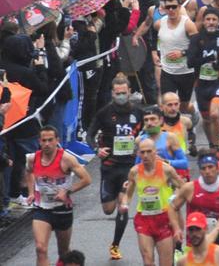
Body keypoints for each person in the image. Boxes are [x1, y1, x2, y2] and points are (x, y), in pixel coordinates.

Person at [88, 75, 143, 261]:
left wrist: (142, 144)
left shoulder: (138, 112)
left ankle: (115, 245)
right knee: (108, 209)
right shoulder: (104, 113)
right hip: (109, 167)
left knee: (123, 207)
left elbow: (149, 129)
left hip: (129, 167)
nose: (121, 96)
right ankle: (114, 241)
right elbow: (89, 135)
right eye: (117, 93)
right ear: (113, 93)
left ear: (129, 92)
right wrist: (97, 149)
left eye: (124, 93)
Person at [28, 125, 91, 266]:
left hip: (62, 209)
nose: (47, 144)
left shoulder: (67, 159)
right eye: (43, 140)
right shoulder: (33, 158)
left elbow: (87, 179)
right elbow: (29, 172)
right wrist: (31, 192)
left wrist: (67, 191)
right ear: (39, 141)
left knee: (64, 253)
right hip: (42, 209)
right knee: (40, 249)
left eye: (50, 140)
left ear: (57, 140)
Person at [120, 137, 186, 266]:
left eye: (149, 151)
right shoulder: (134, 172)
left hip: (164, 219)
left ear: (155, 152)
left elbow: (183, 188)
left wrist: (174, 200)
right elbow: (128, 195)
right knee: (148, 262)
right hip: (144, 219)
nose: (145, 155)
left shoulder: (166, 170)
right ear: (138, 153)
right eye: (142, 152)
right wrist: (124, 204)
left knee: (166, 263)